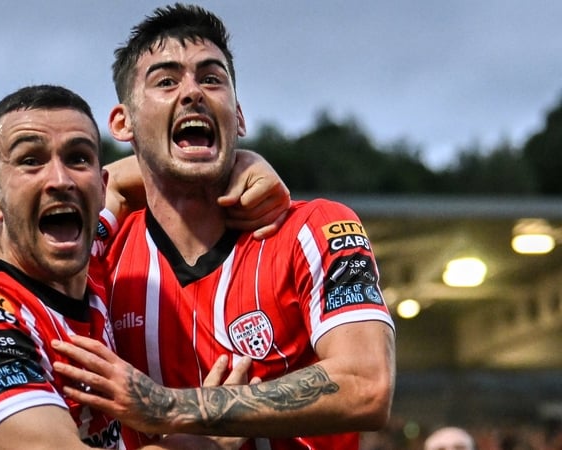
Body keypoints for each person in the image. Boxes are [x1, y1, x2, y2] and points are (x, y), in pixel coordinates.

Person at [50, 4, 396, 450]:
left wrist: (168, 406)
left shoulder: (314, 228)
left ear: (239, 116)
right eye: (166, 81)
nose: (193, 93)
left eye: (212, 79)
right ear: (123, 122)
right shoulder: (101, 256)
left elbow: (367, 384)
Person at [0, 83, 277, 449]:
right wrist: (205, 441)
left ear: (100, 183)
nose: (60, 180)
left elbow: (129, 183)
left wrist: (240, 165)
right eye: (31, 161)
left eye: (78, 158)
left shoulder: (87, 251)